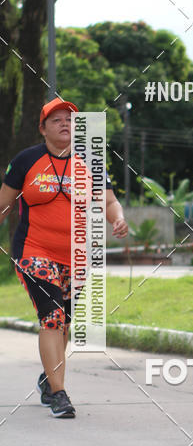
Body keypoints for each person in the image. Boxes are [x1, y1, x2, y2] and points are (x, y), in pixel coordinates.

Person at [0, 97, 128, 418]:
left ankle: (48, 377)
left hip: (76, 257)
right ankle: (59, 393)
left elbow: (108, 201)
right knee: (52, 317)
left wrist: (118, 219)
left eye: (70, 120)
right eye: (56, 120)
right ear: (43, 128)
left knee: (64, 322)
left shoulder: (90, 163)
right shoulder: (26, 160)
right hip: (33, 251)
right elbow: (3, 204)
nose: (65, 124)